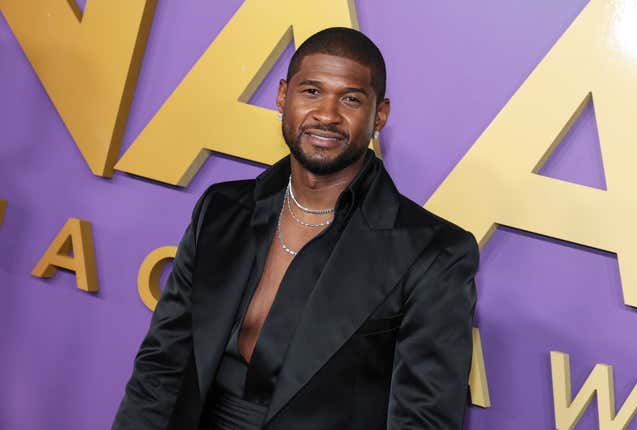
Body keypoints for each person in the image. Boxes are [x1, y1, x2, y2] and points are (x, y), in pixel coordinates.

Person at [112, 27, 478, 430]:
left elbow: (422, 421)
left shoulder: (433, 253)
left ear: (381, 114)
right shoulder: (220, 211)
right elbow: (162, 368)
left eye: (351, 99)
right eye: (311, 92)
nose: (327, 114)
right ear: (283, 96)